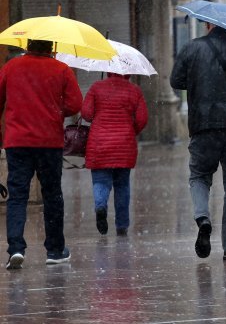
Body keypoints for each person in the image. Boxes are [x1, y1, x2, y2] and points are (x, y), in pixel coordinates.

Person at [170, 23, 226, 260]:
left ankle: (203, 219)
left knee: (200, 176)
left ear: (208, 24)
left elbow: (176, 81)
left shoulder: (192, 47)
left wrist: (199, 79)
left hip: (203, 125)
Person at [0, 40, 83, 269]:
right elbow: (76, 104)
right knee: (52, 194)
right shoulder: (61, 69)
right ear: (51, 47)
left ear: (27, 45)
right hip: (49, 142)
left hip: (17, 142)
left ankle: (16, 248)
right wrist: (55, 108)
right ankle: (55, 250)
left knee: (17, 196)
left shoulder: (11, 67)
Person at [82, 72, 149, 237]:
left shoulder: (96, 87)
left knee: (100, 181)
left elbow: (86, 113)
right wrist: (131, 130)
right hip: (124, 145)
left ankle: (100, 206)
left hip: (99, 144)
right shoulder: (134, 90)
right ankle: (122, 225)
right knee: (122, 186)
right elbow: (142, 119)